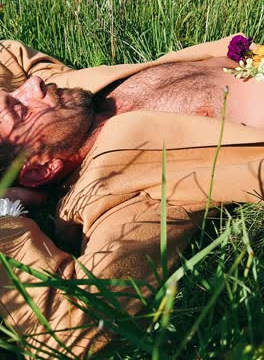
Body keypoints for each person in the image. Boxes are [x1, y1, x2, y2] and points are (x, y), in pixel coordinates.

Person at [0, 35, 263, 357]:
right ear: (41, 171)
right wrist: (5, 216)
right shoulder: (120, 194)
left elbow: (7, 53)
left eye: (13, 93)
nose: (34, 84)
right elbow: (69, 334)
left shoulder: (70, 95)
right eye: (19, 109)